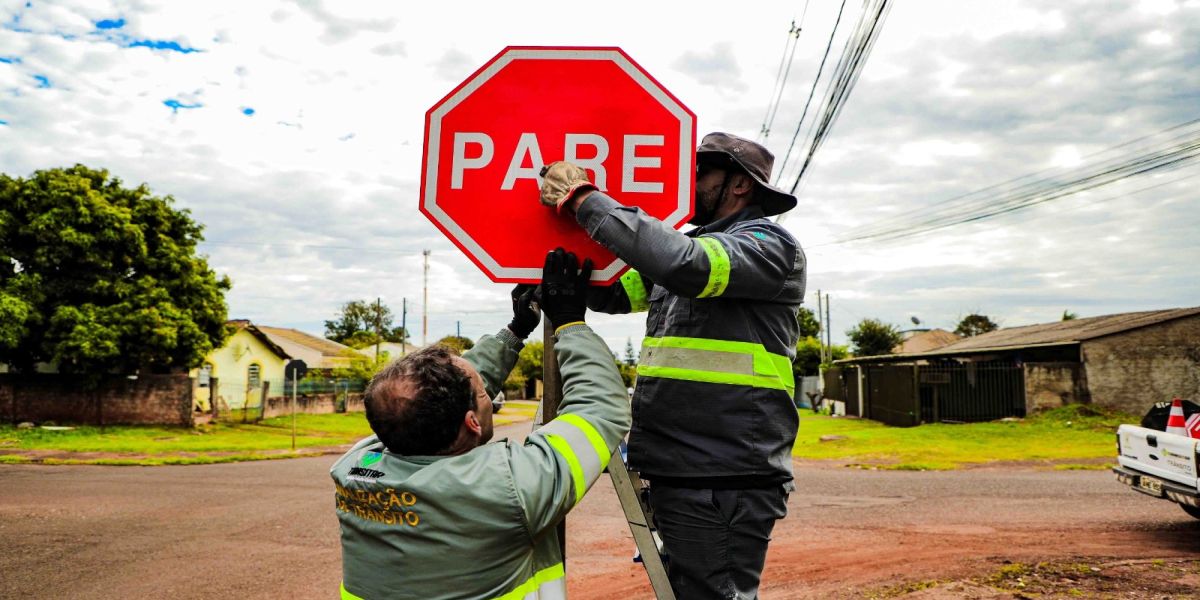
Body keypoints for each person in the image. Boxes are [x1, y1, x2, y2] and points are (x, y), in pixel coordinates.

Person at [539, 132, 806, 599]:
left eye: (700, 173)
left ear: (739, 185)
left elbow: (685, 265)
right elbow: (615, 290)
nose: (687, 182)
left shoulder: (767, 246)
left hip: (724, 473)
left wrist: (584, 198)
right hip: (681, 467)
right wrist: (554, 284)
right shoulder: (691, 249)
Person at [330, 248, 631, 600]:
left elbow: (439, 393)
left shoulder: (356, 466)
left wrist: (516, 331)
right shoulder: (510, 488)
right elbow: (599, 407)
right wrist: (569, 321)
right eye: (483, 394)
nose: (487, 391)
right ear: (472, 422)